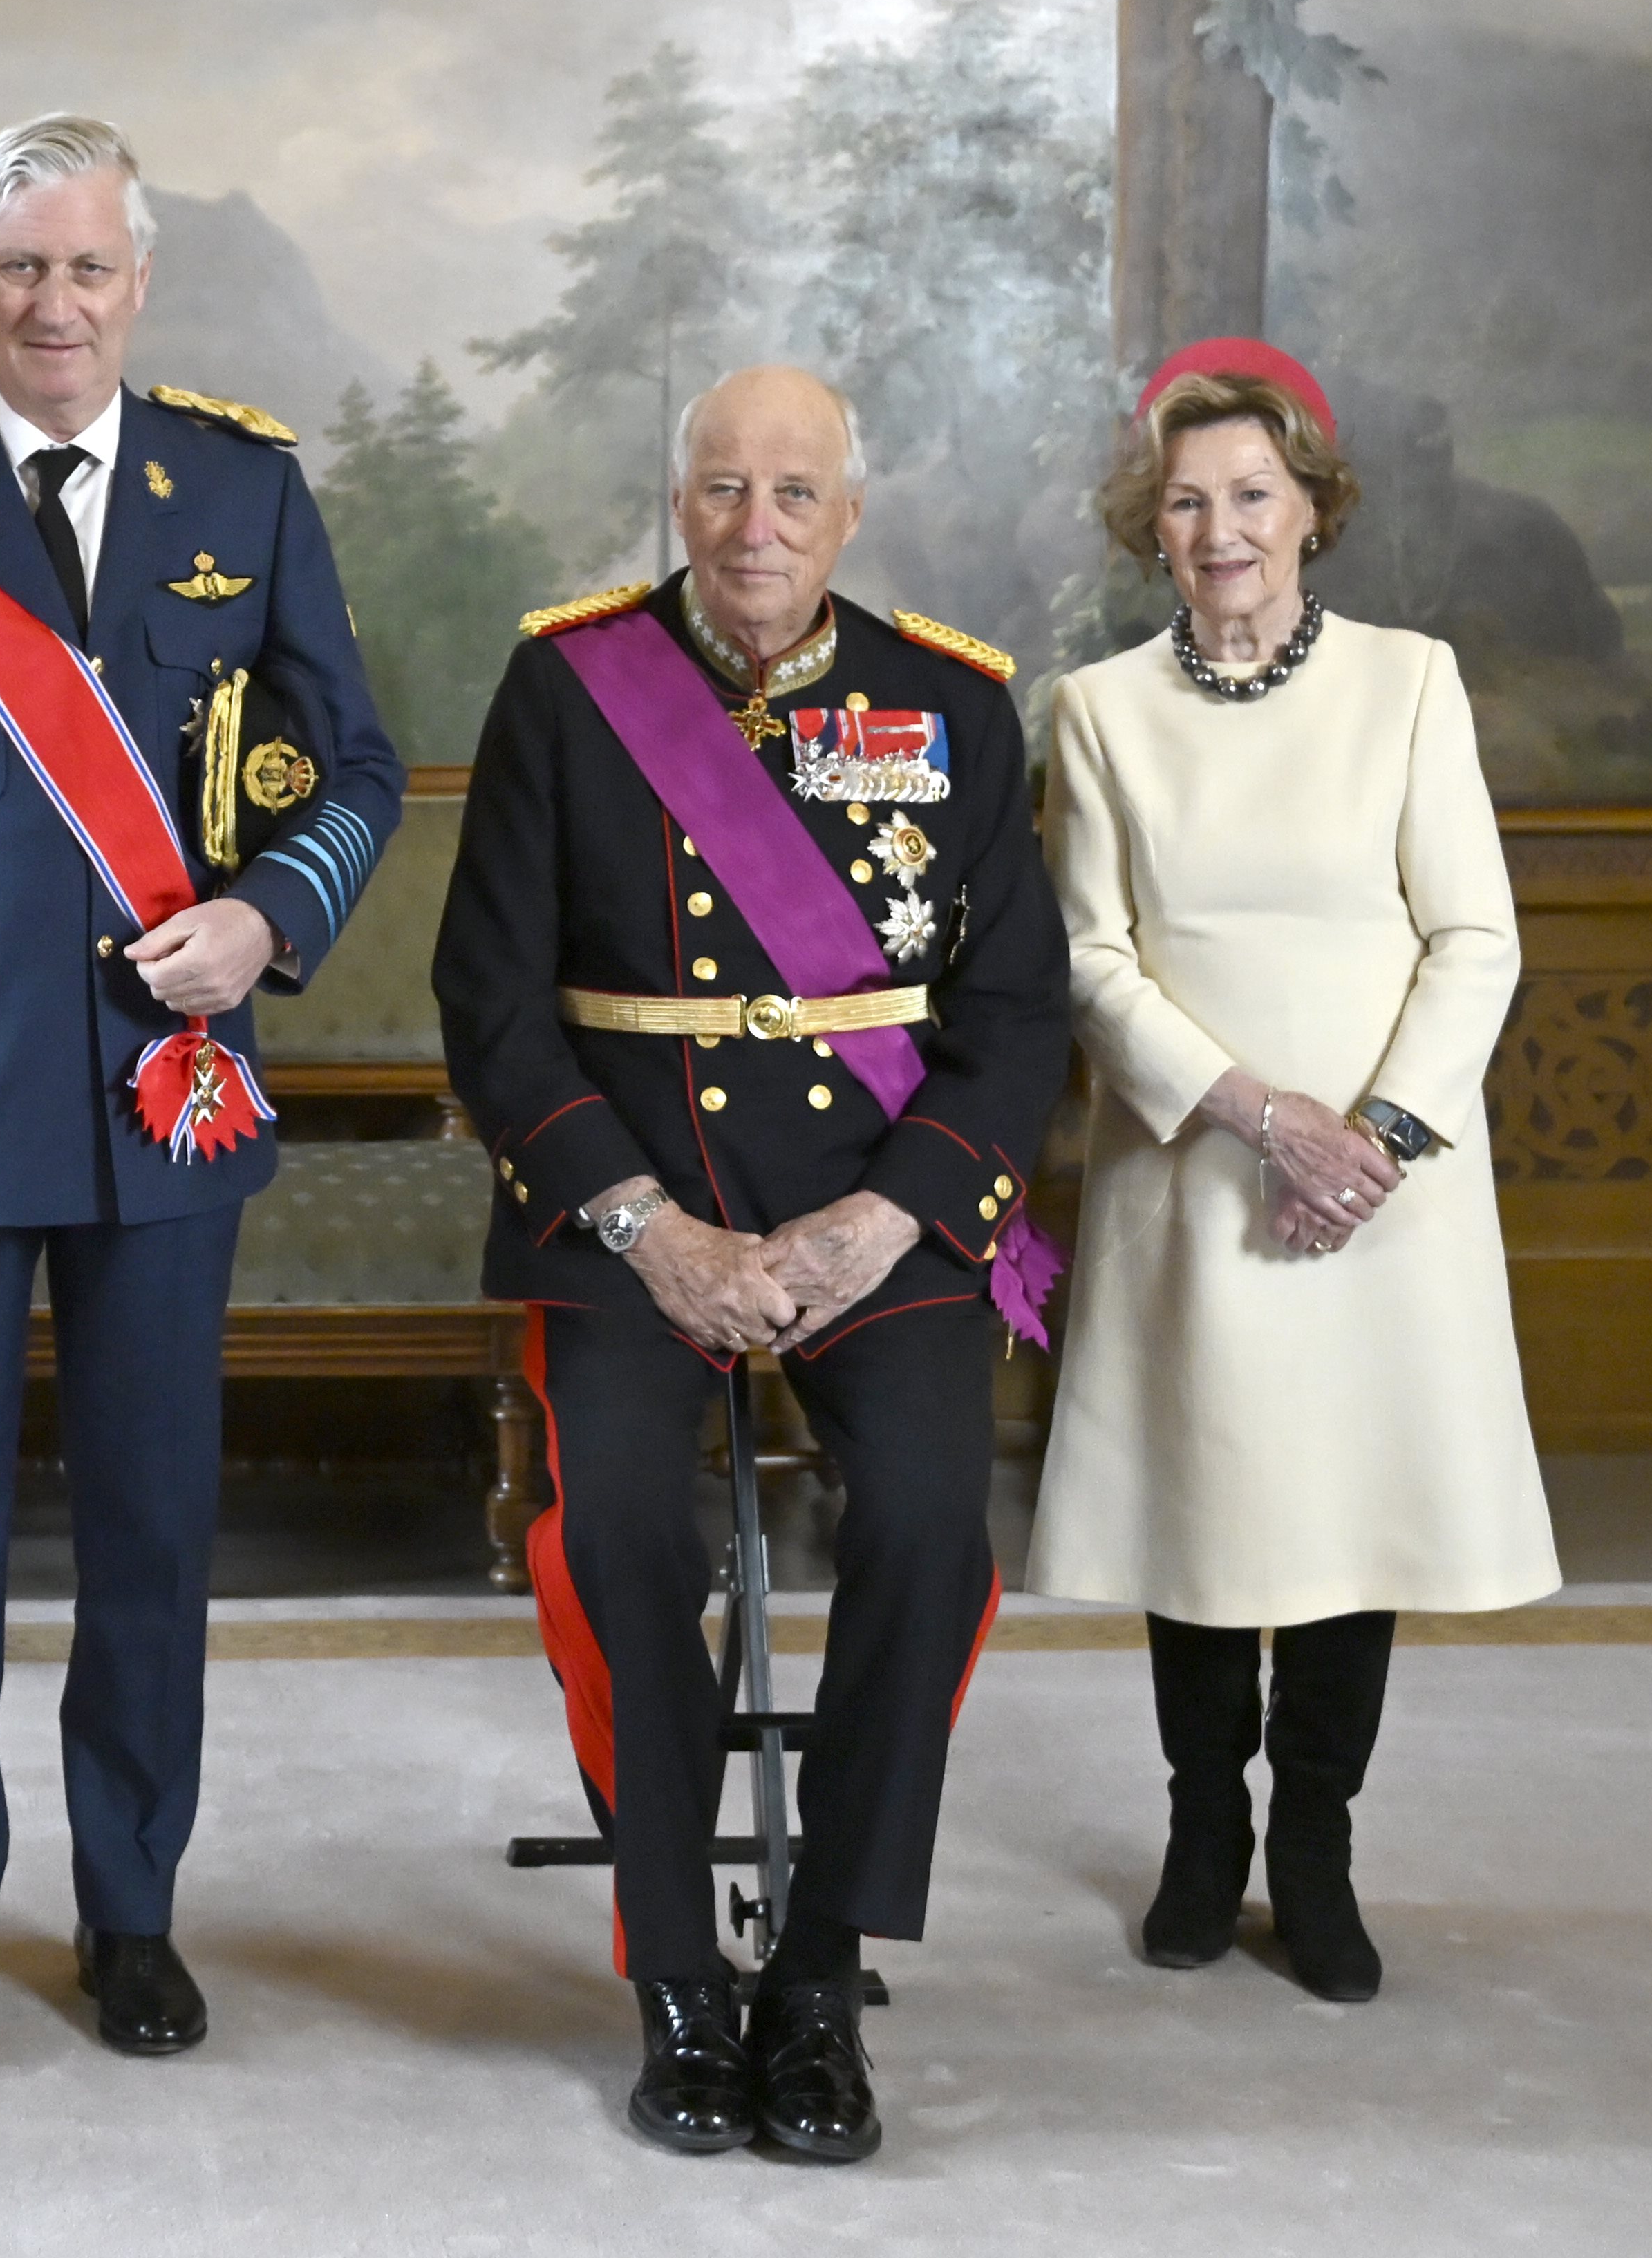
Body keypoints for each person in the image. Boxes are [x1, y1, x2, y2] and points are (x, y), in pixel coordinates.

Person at [0, 114, 404, 2060]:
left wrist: (271, 919)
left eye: (90, 268)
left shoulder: (247, 486)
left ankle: (134, 1914)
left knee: (150, 1538)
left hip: (160, 1096)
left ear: (140, 284)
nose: (57, 303)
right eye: (22, 267)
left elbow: (355, 766)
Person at [433, 366, 1071, 2161]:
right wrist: (648, 1228)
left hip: (880, 1201)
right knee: (618, 1527)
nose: (756, 528)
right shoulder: (569, 687)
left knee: (938, 1527)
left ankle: (813, 1963)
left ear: (848, 514)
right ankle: (677, 1975)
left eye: (794, 494)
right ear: (678, 504)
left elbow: (1014, 1016)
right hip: (636, 1213)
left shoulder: (952, 701)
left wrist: (890, 1217)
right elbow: (495, 1008)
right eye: (722, 490)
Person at [1025, 338, 1557, 2004]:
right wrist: (1265, 1117)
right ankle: (1203, 1835)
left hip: (1381, 1195)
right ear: (1151, 528)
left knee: (1341, 1524)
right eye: (1186, 504)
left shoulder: (1411, 680)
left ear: (1312, 507)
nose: (1221, 529)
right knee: (1204, 1516)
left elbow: (1474, 935)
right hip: (1198, 1169)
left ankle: (1313, 1850)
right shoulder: (1098, 711)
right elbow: (1093, 961)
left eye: (1252, 494)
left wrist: (1377, 1134)